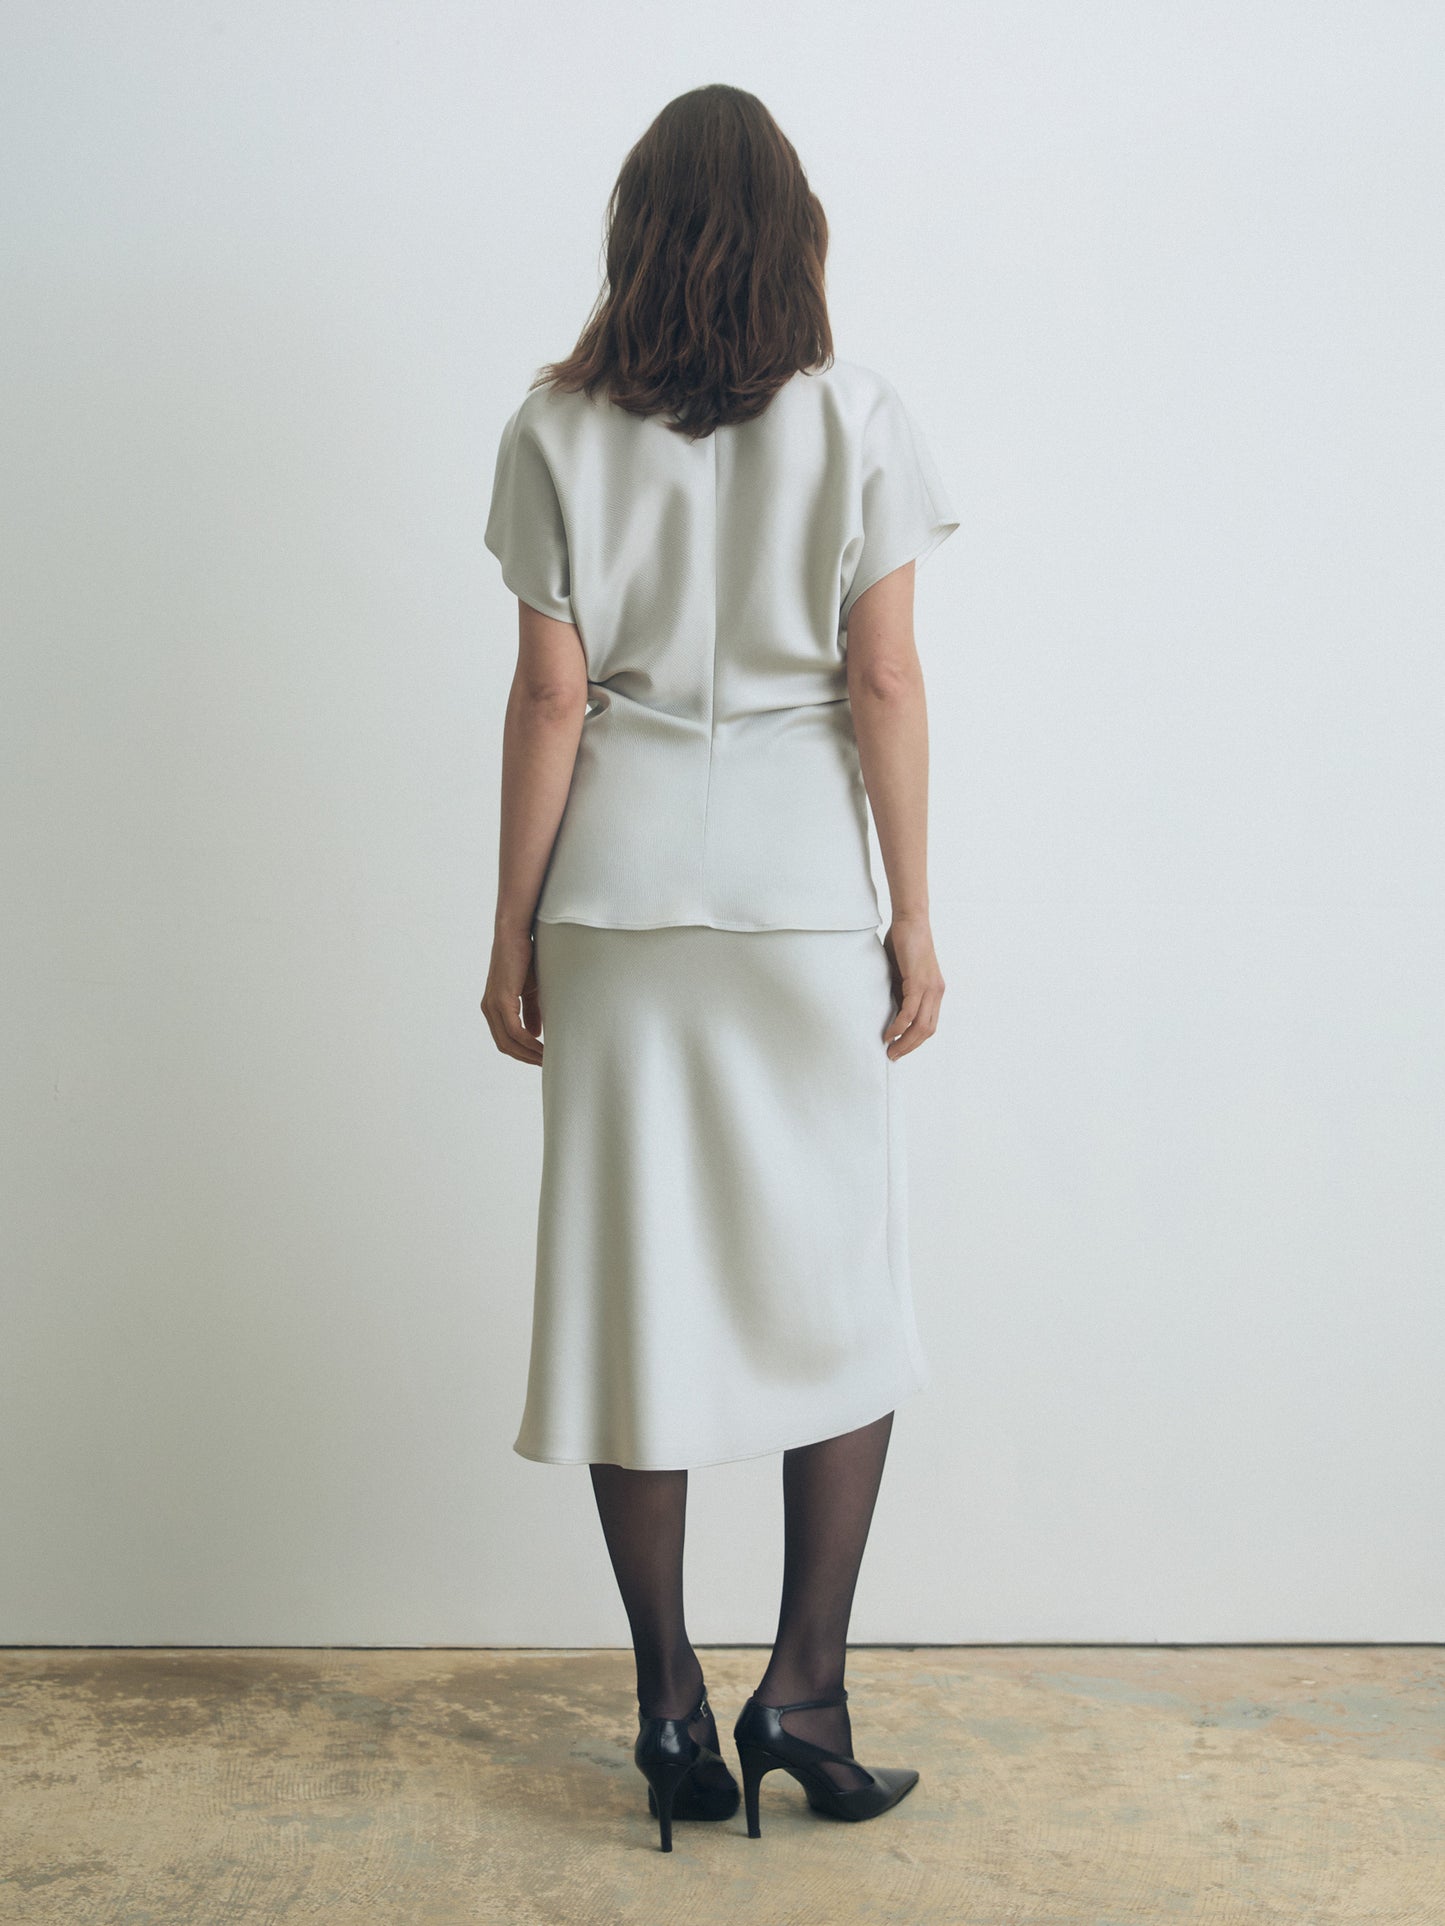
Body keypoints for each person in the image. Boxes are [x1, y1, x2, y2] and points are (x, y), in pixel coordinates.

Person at [480, 83, 957, 1853]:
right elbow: (884, 681)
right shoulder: (857, 416)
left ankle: (672, 1705)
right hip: (790, 910)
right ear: (793, 235)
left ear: (636, 234)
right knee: (839, 1285)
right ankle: (806, 1690)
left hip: (615, 911)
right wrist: (910, 910)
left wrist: (510, 924)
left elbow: (549, 695)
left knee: (633, 1290)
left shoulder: (553, 429)